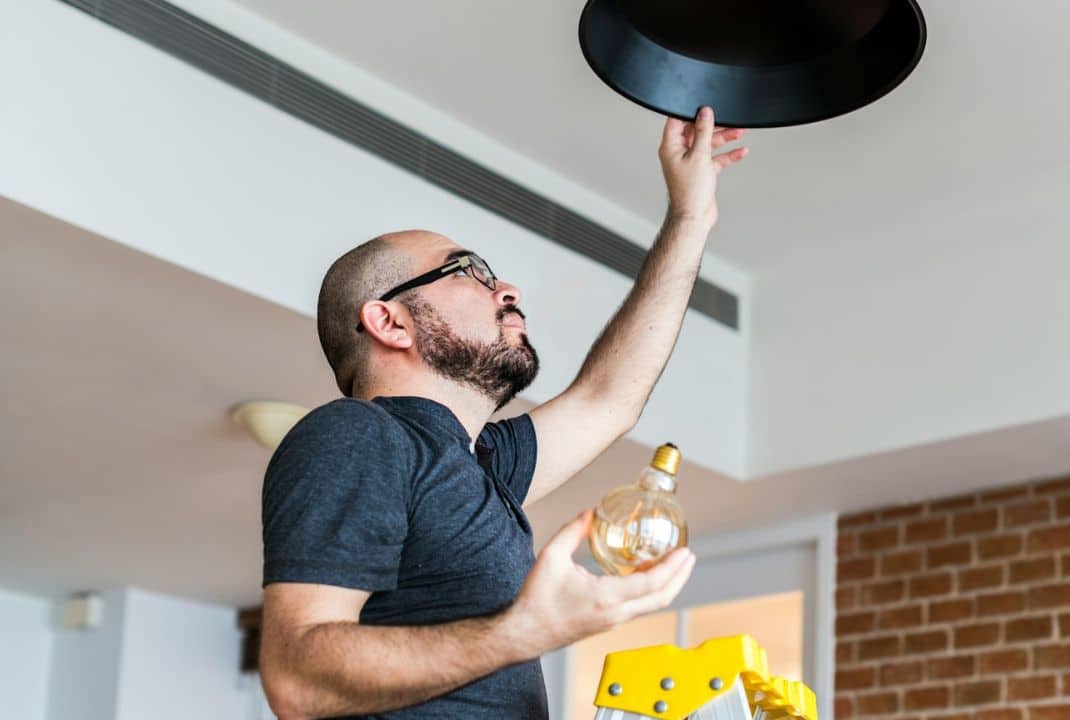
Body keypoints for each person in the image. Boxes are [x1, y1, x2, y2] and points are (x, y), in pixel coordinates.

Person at [258, 106, 749, 719]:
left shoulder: (479, 461)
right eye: (470, 272)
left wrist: (690, 217)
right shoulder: (359, 436)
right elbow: (296, 678)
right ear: (390, 321)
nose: (508, 289)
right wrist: (524, 631)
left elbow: (609, 396)